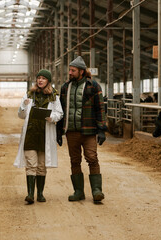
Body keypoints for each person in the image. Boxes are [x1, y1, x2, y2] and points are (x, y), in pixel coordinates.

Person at [57, 56, 107, 203]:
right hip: (71, 131)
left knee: (92, 158)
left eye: (73, 70)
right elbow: (61, 109)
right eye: (70, 70)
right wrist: (59, 131)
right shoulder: (66, 87)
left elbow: (100, 108)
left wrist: (101, 129)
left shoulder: (93, 86)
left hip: (89, 130)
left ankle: (97, 190)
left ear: (81, 71)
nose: (70, 73)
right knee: (74, 161)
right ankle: (78, 191)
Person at [14, 69, 63, 204]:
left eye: (43, 78)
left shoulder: (54, 96)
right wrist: (24, 105)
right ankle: (30, 194)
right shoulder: (30, 95)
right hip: (31, 133)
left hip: (44, 134)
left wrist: (51, 117)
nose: (40, 80)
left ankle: (40, 194)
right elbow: (21, 115)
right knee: (31, 164)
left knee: (41, 165)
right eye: (38, 78)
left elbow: (59, 113)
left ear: (48, 81)